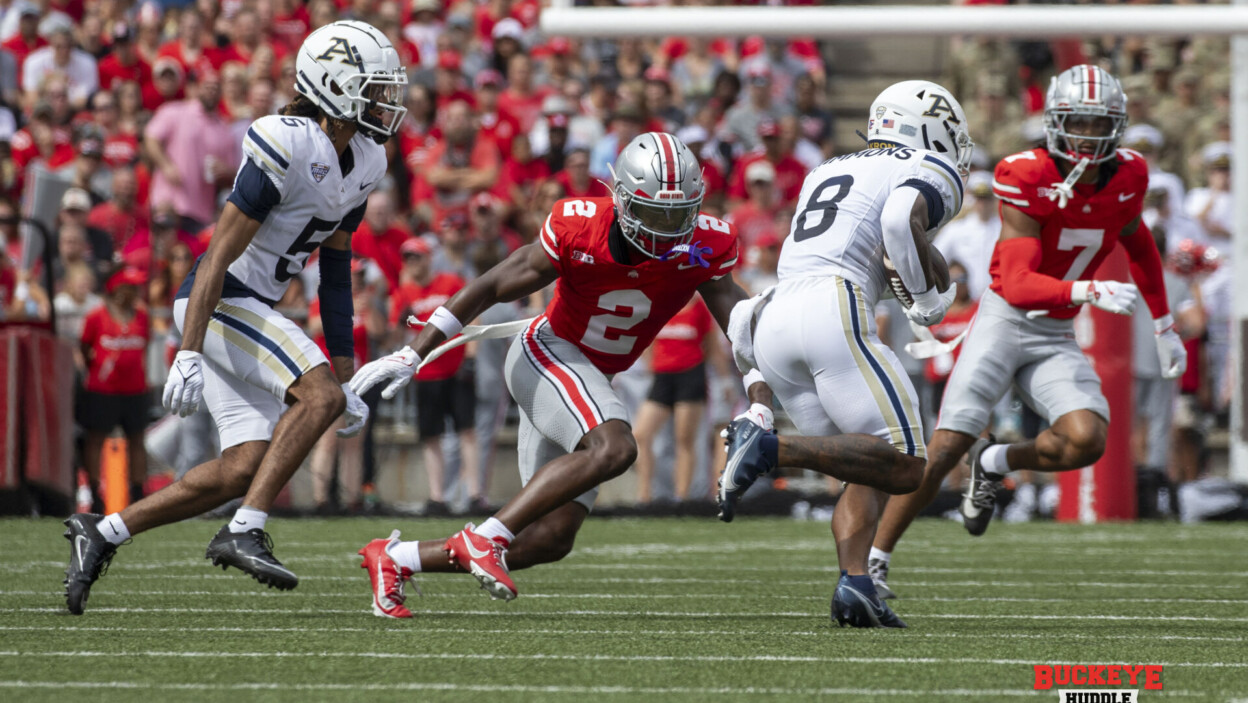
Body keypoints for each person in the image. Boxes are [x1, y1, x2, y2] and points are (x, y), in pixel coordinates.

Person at [62, 20, 407, 615]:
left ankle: (103, 531)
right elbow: (218, 253)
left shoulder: (367, 159)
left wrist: (347, 370)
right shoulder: (289, 141)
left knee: (241, 466)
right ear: (333, 86)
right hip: (220, 301)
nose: (385, 102)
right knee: (316, 397)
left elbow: (336, 266)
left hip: (252, 307)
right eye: (373, 88)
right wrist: (188, 352)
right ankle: (244, 529)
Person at [353, 132, 760, 619]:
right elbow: (494, 283)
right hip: (547, 352)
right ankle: (482, 539)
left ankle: (396, 558)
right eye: (654, 213)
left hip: (587, 378)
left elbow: (740, 326)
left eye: (679, 214)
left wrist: (759, 395)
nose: (667, 230)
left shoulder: (706, 244)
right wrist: (415, 352)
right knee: (616, 448)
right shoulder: (579, 226)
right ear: (623, 198)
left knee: (550, 538)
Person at [869, 66, 1185, 597]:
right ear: (1056, 122)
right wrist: (1085, 292)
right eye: (1077, 121)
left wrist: (1164, 321)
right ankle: (873, 562)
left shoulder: (1130, 175)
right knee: (945, 446)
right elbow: (1016, 284)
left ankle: (996, 462)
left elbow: (1137, 243)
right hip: (1006, 321)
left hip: (1056, 332)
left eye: (1097, 122)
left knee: (1086, 440)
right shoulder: (1026, 174)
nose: (1087, 133)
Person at [717, 80, 972, 629]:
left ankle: (855, 586)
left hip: (776, 311)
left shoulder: (826, 168)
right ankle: (769, 449)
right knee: (905, 465)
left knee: (861, 459)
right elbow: (900, 219)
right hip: (830, 306)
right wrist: (928, 301)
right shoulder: (929, 165)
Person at [78, 267, 150, 512]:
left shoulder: (142, 317)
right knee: (96, 439)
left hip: (135, 390)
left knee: (137, 440)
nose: (136, 291)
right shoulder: (96, 317)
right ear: (117, 288)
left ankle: (138, 494)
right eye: (131, 286)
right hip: (102, 391)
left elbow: (145, 346)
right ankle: (96, 493)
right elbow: (84, 347)